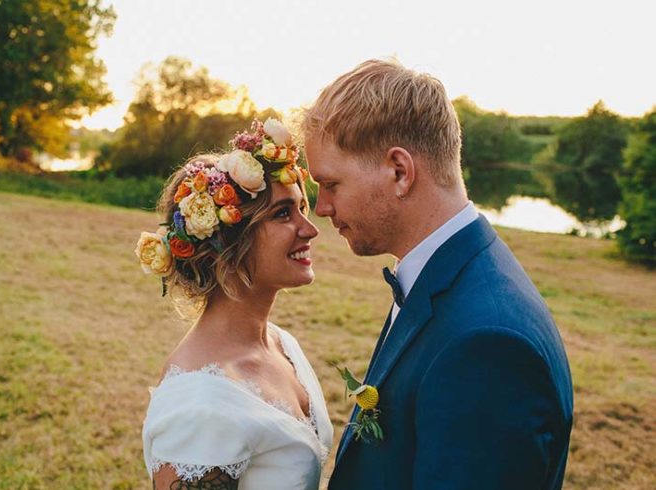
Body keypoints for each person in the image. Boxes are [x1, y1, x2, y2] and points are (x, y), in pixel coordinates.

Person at [302, 59, 574, 489]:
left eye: (331, 184)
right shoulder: (445, 276)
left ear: (399, 171)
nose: (322, 207)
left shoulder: (488, 344)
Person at [135, 119, 333, 490]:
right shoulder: (199, 405)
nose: (310, 229)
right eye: (283, 214)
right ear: (227, 245)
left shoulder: (283, 345)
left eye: (302, 208)